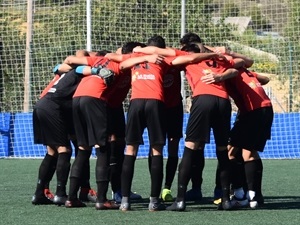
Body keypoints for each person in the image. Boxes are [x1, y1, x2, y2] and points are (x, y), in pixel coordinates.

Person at [63, 46, 162, 210]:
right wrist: (146, 58)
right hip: (95, 98)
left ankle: (71, 197)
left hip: (77, 98)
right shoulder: (120, 60)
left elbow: (70, 61)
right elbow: (123, 64)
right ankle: (102, 200)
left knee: (83, 149)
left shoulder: (100, 59)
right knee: (103, 148)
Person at [165, 43, 240, 211]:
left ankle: (180, 200)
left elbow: (172, 61)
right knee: (222, 150)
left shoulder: (191, 60)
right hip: (223, 101)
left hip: (203, 99)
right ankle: (226, 200)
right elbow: (238, 66)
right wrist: (221, 74)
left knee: (190, 147)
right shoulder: (218, 60)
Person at [31, 64, 87, 206]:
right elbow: (78, 69)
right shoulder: (80, 71)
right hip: (52, 107)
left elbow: (56, 67)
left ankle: (39, 193)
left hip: (42, 105)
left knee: (52, 151)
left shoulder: (64, 73)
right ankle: (60, 194)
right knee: (64, 150)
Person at [225, 67, 273, 209]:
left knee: (230, 152)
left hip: (252, 111)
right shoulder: (245, 71)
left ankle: (240, 195)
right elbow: (266, 79)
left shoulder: (228, 71)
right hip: (266, 109)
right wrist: (251, 76)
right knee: (249, 152)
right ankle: (255, 196)